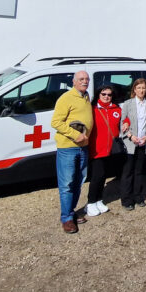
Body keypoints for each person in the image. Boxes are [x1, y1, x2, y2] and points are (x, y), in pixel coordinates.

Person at [51, 70, 93, 233]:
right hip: (68, 147)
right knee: (67, 184)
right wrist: (76, 135)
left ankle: (71, 212)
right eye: (81, 79)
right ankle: (66, 218)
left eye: (87, 79)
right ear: (74, 82)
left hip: (83, 147)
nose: (85, 81)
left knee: (79, 181)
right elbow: (56, 122)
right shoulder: (66, 98)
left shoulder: (86, 96)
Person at [85, 85, 123, 217]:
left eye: (109, 94)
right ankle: (90, 203)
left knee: (103, 176)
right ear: (98, 95)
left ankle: (99, 200)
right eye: (103, 94)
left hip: (110, 150)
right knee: (97, 177)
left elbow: (124, 120)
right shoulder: (93, 109)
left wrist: (127, 123)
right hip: (96, 150)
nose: (106, 97)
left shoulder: (116, 109)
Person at [120, 78, 146, 210]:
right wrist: (130, 136)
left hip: (143, 142)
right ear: (134, 89)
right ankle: (126, 200)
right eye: (138, 88)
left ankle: (138, 196)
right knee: (128, 172)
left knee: (139, 171)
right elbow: (123, 122)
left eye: (143, 88)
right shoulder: (128, 104)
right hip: (131, 143)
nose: (141, 90)